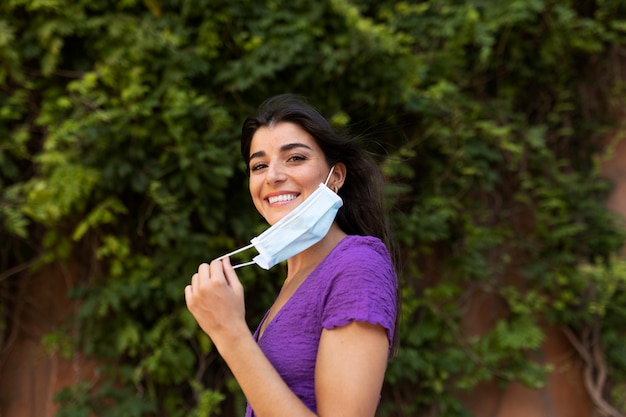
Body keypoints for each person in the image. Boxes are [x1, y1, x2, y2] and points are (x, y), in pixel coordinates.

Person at [185, 94, 399, 417]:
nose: (272, 176)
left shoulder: (357, 266)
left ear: (336, 176)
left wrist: (229, 332)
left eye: (295, 158)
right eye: (259, 165)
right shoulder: (293, 281)